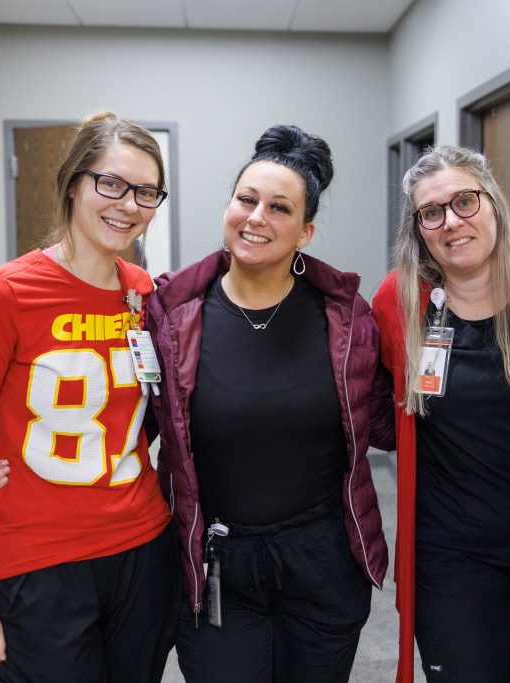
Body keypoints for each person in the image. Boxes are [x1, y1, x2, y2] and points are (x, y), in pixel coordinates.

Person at [146, 124, 394, 682]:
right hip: (218, 562)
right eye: (246, 199)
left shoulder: (347, 319)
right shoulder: (172, 316)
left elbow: (387, 424)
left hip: (322, 560)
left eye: (279, 208)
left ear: (305, 231)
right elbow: (128, 421)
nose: (257, 217)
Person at [0, 112, 179, 681]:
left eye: (146, 192)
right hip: (40, 560)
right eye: (112, 183)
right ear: (74, 182)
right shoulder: (3, 294)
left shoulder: (144, 294)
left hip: (143, 547)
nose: (128, 204)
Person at [372, 145, 510, 683]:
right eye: (432, 212)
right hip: (449, 557)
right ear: (418, 228)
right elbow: (376, 409)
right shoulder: (398, 301)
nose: (451, 222)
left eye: (464, 201)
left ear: (493, 204)